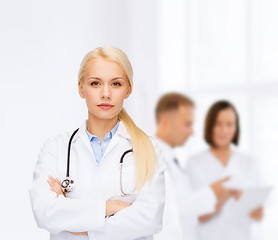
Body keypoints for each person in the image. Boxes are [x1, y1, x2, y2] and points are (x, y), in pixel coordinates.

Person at [29, 46, 165, 240]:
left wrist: (78, 226)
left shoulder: (149, 149)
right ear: (81, 89)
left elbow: (149, 220)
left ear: (128, 89)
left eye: (116, 84)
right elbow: (45, 212)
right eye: (95, 83)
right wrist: (111, 208)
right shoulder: (55, 148)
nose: (106, 94)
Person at [153, 93, 230, 240]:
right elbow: (166, 211)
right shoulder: (152, 158)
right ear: (164, 122)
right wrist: (212, 193)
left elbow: (186, 207)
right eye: (187, 124)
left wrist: (216, 200)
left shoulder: (172, 159)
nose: (192, 132)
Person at [187, 100, 263, 240]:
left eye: (229, 124)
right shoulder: (194, 163)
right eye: (218, 124)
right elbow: (201, 215)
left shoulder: (249, 163)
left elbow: (258, 215)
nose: (224, 130)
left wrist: (237, 196)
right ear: (210, 126)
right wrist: (228, 192)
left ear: (236, 128)